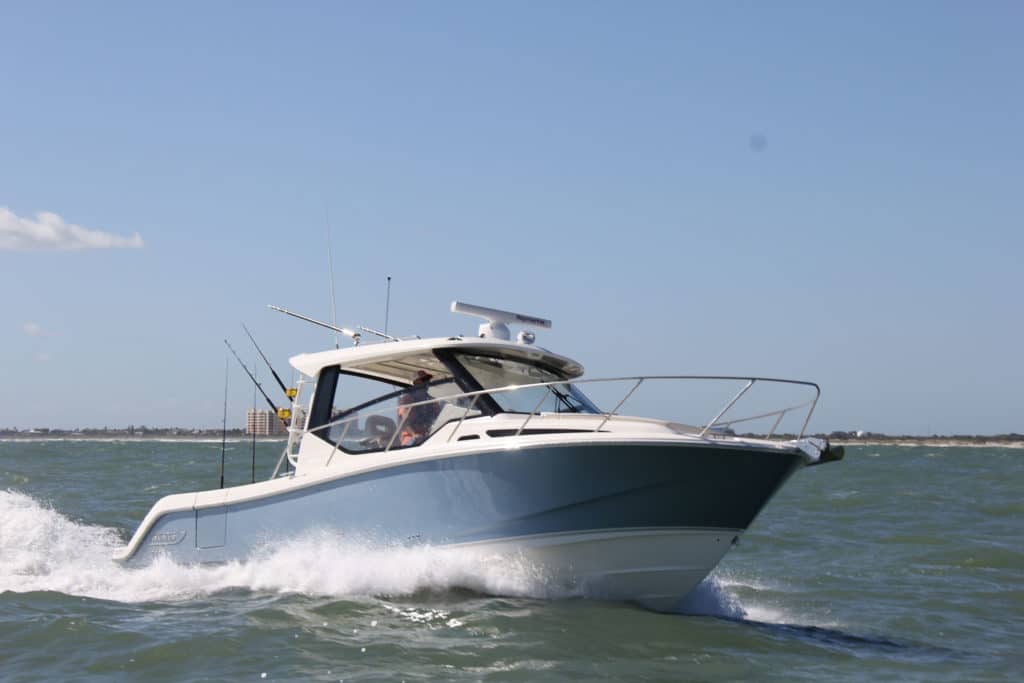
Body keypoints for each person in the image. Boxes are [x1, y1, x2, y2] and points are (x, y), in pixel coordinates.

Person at [397, 370, 441, 446]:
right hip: (410, 439)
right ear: (416, 382)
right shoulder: (407, 399)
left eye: (427, 380)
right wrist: (415, 435)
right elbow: (404, 423)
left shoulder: (431, 400)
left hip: (429, 436)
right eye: (424, 380)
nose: (427, 382)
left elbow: (440, 417)